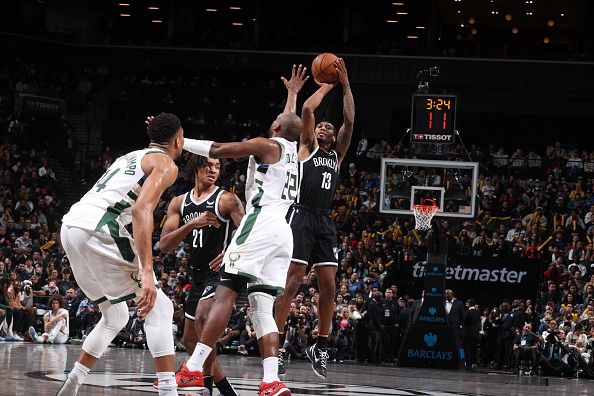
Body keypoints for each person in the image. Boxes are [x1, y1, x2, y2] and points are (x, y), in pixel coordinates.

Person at [171, 65, 306, 396]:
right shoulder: (295, 153)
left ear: (274, 127)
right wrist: (292, 95)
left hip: (260, 222)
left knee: (227, 292)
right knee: (262, 307)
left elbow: (218, 149)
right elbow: (289, 124)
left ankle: (192, 367)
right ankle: (271, 380)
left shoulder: (267, 144)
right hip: (284, 232)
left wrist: (181, 141)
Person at [58, 112, 185, 396]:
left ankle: (72, 385)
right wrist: (147, 271)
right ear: (178, 140)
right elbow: (142, 210)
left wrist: (159, 131)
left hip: (71, 226)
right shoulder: (166, 163)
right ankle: (168, 391)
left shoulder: (130, 156)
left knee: (115, 315)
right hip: (99, 227)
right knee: (160, 307)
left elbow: (165, 143)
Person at [274, 56, 355, 379]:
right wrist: (325, 86)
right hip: (301, 215)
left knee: (329, 287)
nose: (324, 125)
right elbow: (307, 110)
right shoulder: (306, 148)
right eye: (322, 125)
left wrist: (346, 85)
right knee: (291, 283)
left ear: (334, 138)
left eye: (329, 127)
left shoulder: (336, 154)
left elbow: (350, 120)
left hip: (324, 220)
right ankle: (277, 345)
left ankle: (320, 345)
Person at [158, 154, 244, 396]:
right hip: (195, 274)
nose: (213, 170)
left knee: (204, 317)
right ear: (196, 167)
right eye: (208, 165)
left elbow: (249, 230)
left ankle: (204, 387)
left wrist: (230, 251)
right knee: (189, 340)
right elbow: (164, 245)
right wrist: (190, 225)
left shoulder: (227, 199)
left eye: (217, 166)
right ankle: (228, 392)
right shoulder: (178, 203)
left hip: (220, 272)